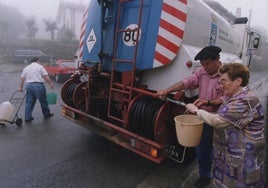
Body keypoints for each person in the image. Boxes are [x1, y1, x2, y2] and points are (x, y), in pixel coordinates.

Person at [186, 63, 265, 187]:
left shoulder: (245, 100)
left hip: (242, 158)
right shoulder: (235, 96)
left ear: (238, 81)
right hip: (230, 155)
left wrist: (196, 110)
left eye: (223, 81)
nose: (220, 86)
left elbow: (218, 121)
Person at [157, 46, 224, 188]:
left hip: (220, 120)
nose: (204, 67)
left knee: (220, 150)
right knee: (202, 148)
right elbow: (186, 82)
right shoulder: (202, 73)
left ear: (217, 60)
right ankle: (205, 176)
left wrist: (208, 102)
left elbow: (227, 99)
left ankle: (220, 177)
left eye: (207, 64)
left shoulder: (226, 75)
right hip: (203, 118)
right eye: (203, 64)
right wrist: (167, 90)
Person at [18, 57, 54, 122]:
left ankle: (27, 117)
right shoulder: (40, 67)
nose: (40, 62)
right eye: (39, 61)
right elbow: (46, 76)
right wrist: (51, 83)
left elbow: (22, 78)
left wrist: (21, 87)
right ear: (37, 61)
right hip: (38, 85)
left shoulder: (26, 68)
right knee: (43, 100)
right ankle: (46, 114)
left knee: (29, 101)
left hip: (28, 85)